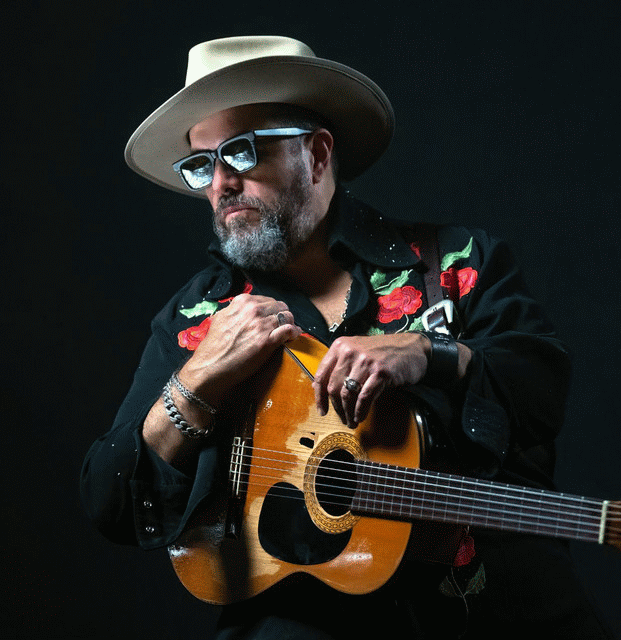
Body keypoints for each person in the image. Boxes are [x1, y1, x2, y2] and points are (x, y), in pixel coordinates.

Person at [81, 36, 614, 639]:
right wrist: (198, 378)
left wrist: (434, 354)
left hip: (496, 615)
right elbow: (109, 501)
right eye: (203, 164)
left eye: (242, 151)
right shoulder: (194, 318)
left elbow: (544, 392)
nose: (220, 183)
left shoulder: (459, 261)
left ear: (316, 154)